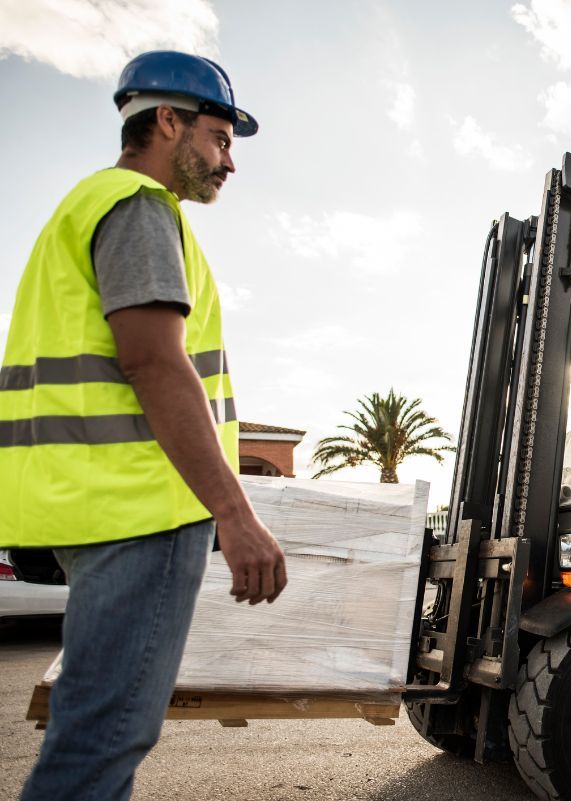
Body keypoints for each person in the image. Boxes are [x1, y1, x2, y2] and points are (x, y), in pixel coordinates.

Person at [0, 51, 287, 801]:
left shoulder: (89, 203)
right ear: (167, 121)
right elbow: (156, 363)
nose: (229, 162)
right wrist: (235, 513)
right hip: (142, 510)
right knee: (103, 738)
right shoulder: (138, 208)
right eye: (220, 140)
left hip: (97, 504)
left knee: (97, 732)